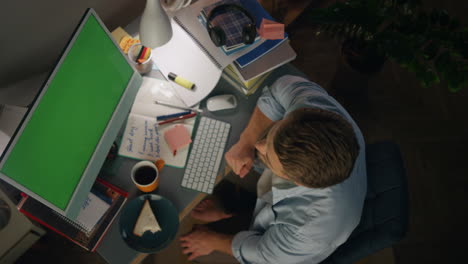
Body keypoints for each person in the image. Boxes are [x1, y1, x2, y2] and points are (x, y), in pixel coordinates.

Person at [180, 75, 367, 264]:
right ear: (301, 112)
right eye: (275, 131)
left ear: (295, 181)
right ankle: (230, 211)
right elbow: (280, 88)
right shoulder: (318, 113)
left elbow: (263, 254)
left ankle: (231, 216)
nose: (259, 146)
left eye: (268, 155)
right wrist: (246, 141)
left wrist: (212, 241)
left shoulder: (308, 232)